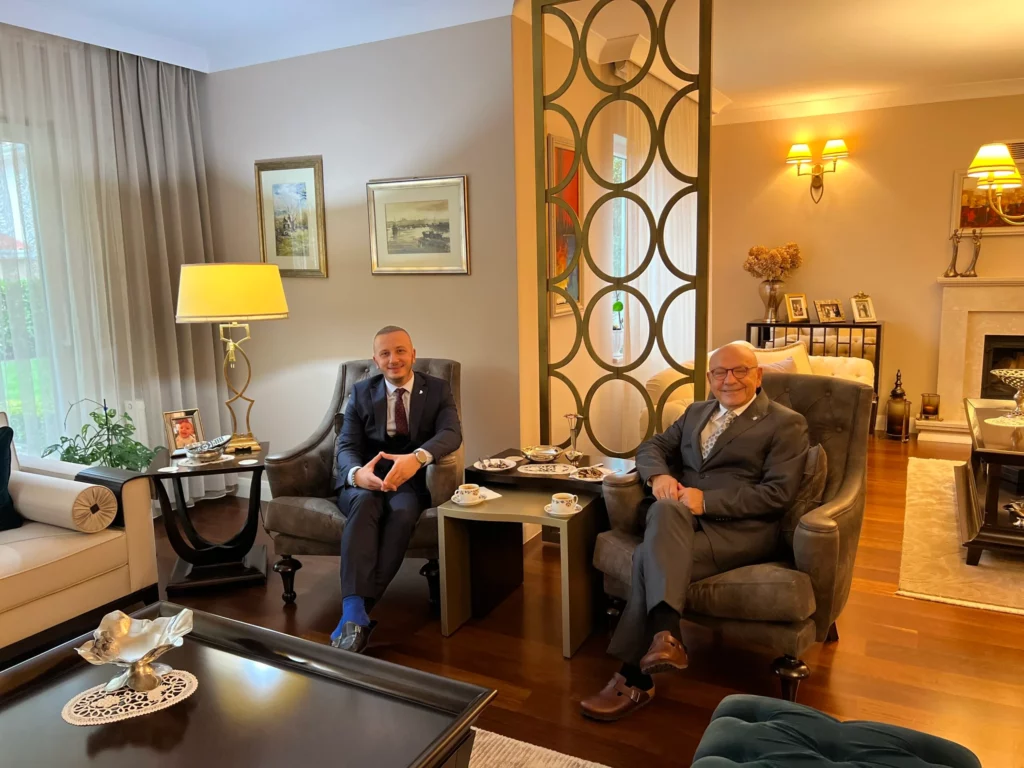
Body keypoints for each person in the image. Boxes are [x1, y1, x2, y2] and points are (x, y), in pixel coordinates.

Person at [580, 342, 809, 721]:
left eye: (739, 371)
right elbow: (652, 446)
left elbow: (778, 494)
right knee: (666, 510)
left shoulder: (786, 423)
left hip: (740, 532)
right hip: (680, 521)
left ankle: (635, 675)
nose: (728, 379)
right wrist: (660, 475)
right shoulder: (695, 412)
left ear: (758, 376)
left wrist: (710, 502)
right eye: (719, 372)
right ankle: (666, 640)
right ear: (708, 378)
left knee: (646, 557)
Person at [331, 325, 462, 653]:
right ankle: (355, 614)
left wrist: (417, 459)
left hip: (409, 481)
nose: (394, 359)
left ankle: (354, 614)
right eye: (385, 353)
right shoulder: (362, 392)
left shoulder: (437, 389)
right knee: (365, 504)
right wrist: (357, 474)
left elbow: (451, 433)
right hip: (366, 479)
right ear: (376, 360)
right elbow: (346, 443)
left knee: (403, 515)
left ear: (413, 354)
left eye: (401, 351)